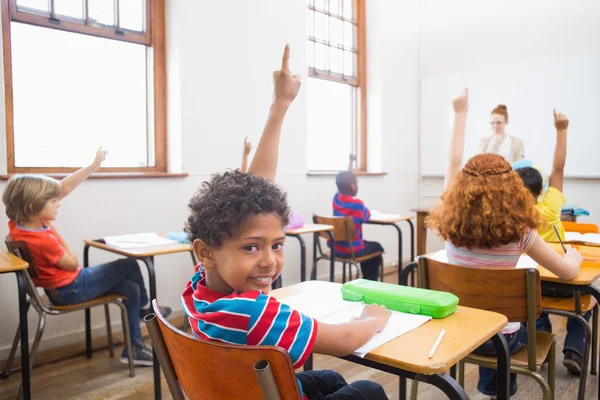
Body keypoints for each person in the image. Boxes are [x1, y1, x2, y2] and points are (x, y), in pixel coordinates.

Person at [181, 44, 389, 400]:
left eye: (277, 244)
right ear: (206, 252)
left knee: (330, 381)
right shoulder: (255, 312)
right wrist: (371, 319)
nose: (269, 261)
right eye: (251, 247)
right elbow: (343, 341)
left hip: (240, 390)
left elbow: (258, 187)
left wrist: (280, 105)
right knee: (367, 388)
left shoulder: (200, 289)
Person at [427, 88, 582, 398]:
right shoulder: (521, 231)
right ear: (511, 187)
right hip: (500, 339)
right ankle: (498, 391)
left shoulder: (450, 221)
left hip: (458, 329)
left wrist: (459, 115)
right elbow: (566, 273)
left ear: (463, 186)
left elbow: (452, 162)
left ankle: (487, 388)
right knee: (510, 322)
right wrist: (575, 258)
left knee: (488, 316)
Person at [2, 148, 171, 366]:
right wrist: (52, 229)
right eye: (53, 201)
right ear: (34, 207)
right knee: (130, 264)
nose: (59, 202)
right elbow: (73, 264)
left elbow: (63, 188)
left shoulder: (20, 224)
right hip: (70, 288)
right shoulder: (43, 239)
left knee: (131, 289)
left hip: (60, 287)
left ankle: (134, 348)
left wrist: (93, 165)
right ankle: (144, 309)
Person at [515, 110, 590, 375]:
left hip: (530, 288)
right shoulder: (549, 207)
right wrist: (562, 130)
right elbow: (558, 167)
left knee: (534, 304)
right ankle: (575, 349)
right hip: (560, 284)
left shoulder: (509, 221)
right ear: (540, 191)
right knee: (586, 298)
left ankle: (540, 342)